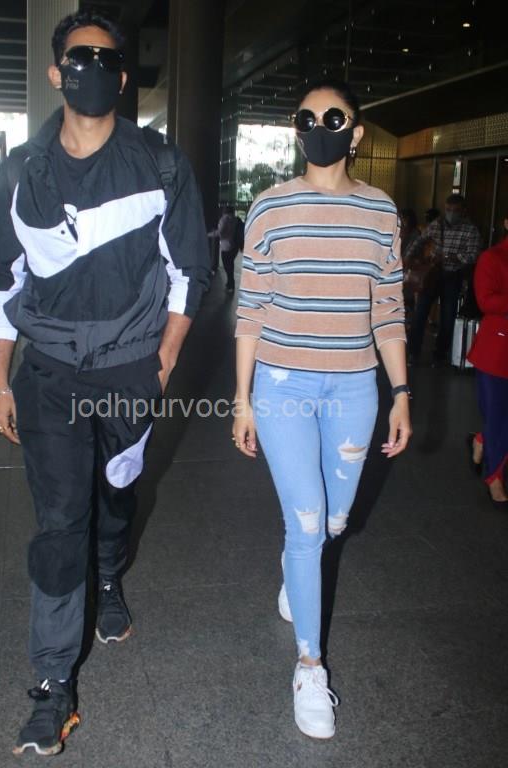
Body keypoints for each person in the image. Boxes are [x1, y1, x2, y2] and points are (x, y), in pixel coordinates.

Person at [0, 9, 209, 757]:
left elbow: (189, 271)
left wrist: (163, 361)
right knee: (58, 521)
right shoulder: (22, 171)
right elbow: (4, 281)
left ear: (122, 76)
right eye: (79, 58)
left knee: (115, 495)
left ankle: (110, 575)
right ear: (56, 73)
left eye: (107, 60)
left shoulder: (160, 163)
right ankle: (53, 681)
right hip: (48, 372)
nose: (92, 70)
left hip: (129, 369)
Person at [232, 79, 411, 740]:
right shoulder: (269, 207)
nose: (318, 128)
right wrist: (241, 400)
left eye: (332, 118)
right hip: (281, 386)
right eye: (305, 119)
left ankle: (296, 566)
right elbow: (249, 311)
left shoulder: (380, 210)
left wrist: (401, 393)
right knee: (306, 523)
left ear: (356, 132)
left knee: (335, 520)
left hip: (354, 389)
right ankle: (309, 666)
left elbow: (388, 309)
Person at [406, 194, 481, 365]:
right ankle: (413, 352)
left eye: (455, 210)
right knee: (420, 314)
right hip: (432, 275)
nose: (451, 214)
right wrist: (409, 257)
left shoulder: (470, 230)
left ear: (463, 211)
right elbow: (419, 241)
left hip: (452, 277)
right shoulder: (437, 225)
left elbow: (473, 255)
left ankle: (440, 354)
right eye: (448, 210)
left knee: (447, 317)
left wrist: (450, 257)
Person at [466, 211, 508, 506]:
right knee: (497, 418)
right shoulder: (492, 258)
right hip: (496, 353)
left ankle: (482, 439)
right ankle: (495, 478)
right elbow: (485, 300)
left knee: (500, 420)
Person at [217, 205, 241, 291]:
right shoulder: (237, 219)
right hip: (235, 246)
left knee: (227, 265)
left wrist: (209, 234)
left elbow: (220, 232)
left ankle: (230, 284)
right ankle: (230, 283)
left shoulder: (224, 219)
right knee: (230, 265)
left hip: (226, 246)